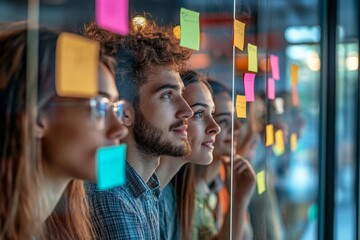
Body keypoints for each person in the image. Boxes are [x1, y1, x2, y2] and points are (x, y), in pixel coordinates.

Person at [0, 22, 127, 239]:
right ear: (36, 116)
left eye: (116, 108)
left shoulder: (62, 225)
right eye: (99, 106)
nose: (119, 129)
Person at [83, 19, 194, 239]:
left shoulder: (145, 187)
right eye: (167, 95)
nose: (186, 110)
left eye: (181, 94)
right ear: (125, 113)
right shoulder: (111, 192)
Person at [156, 70, 221, 240]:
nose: (215, 127)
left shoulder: (168, 195)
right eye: (199, 113)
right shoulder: (155, 196)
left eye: (212, 114)